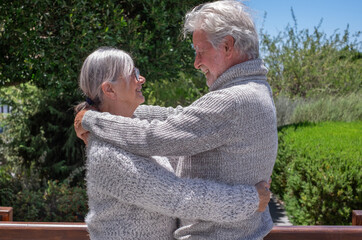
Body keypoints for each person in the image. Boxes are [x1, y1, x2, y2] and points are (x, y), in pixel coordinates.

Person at [75, 1, 278, 239]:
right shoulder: (254, 91)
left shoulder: (232, 100)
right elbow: (179, 125)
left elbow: (156, 136)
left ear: (227, 46)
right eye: (134, 74)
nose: (196, 62)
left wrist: (93, 120)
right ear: (109, 90)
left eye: (200, 51)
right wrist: (251, 199)